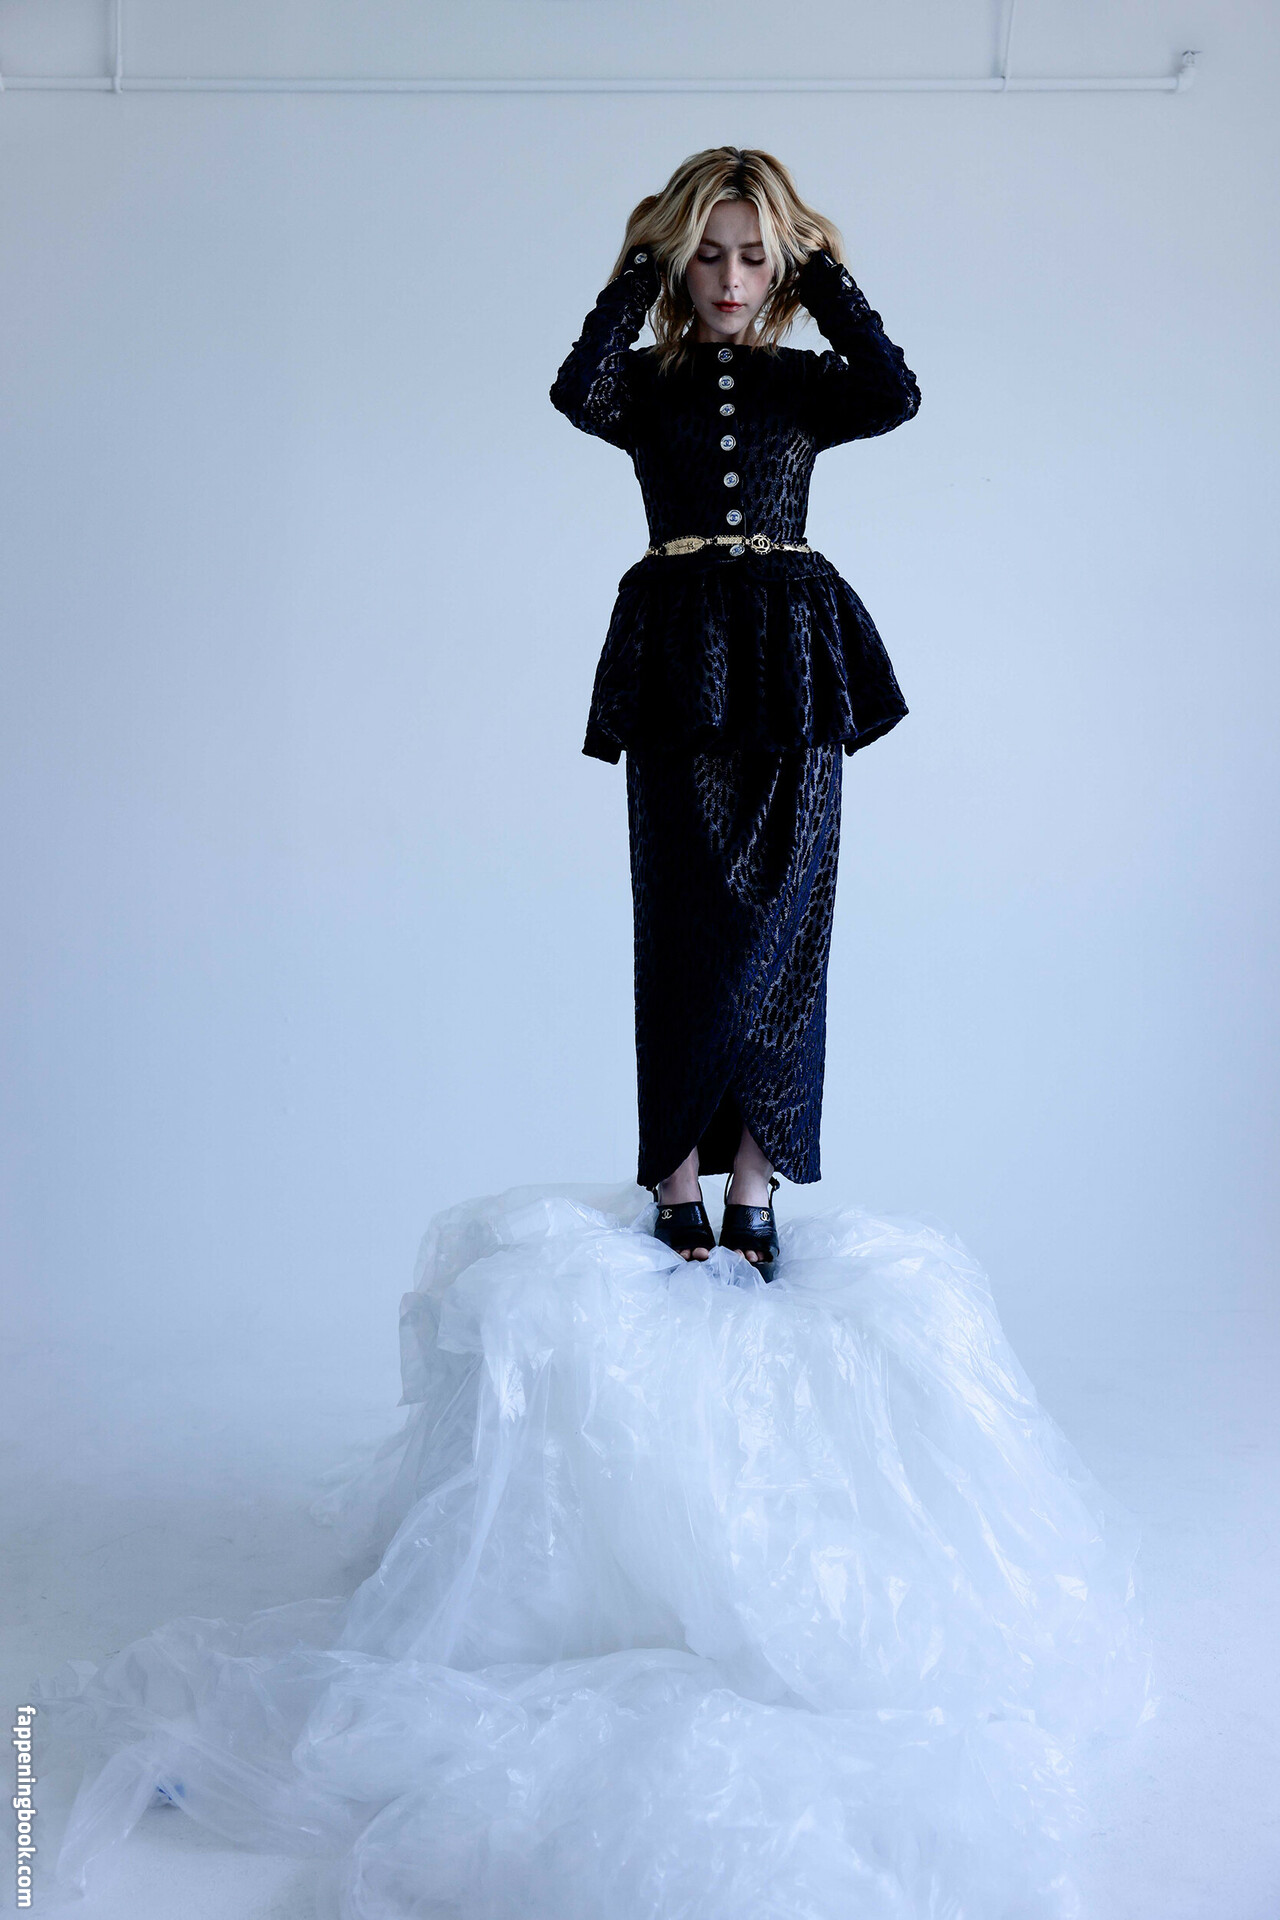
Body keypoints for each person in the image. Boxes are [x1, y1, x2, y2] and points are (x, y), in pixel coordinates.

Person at [549, 145, 921, 1267]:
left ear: (781, 266)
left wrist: (820, 269)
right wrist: (636, 269)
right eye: (706, 255)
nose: (728, 279)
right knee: (677, 920)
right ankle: (674, 1177)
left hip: (791, 658)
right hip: (676, 658)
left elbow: (894, 391)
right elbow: (576, 388)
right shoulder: (642, 385)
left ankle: (755, 1184)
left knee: (789, 923)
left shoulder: (807, 382)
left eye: (754, 257)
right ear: (677, 260)